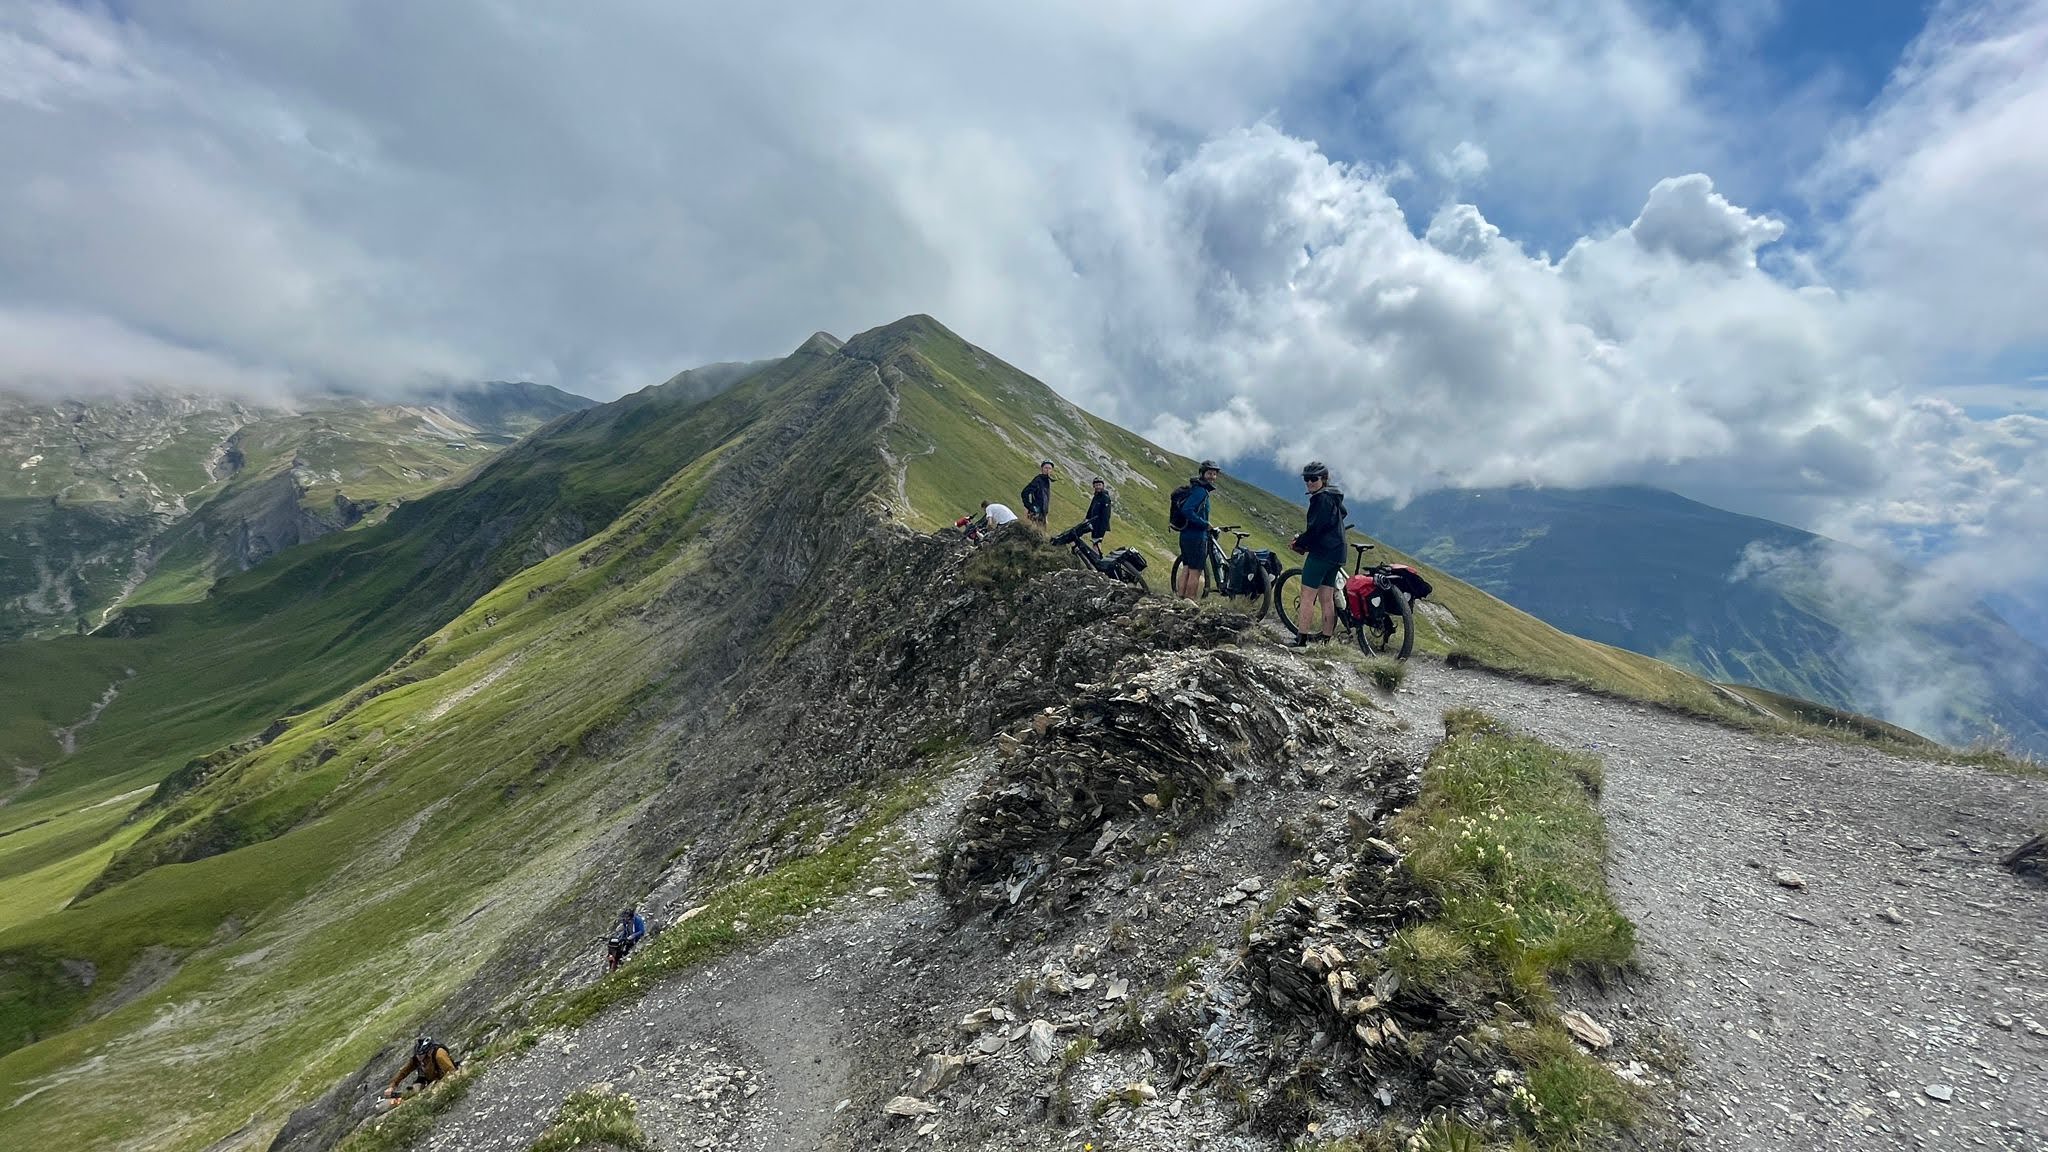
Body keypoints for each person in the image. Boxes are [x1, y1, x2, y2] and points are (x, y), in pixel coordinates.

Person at [1290, 461, 1347, 646]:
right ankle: (1325, 640)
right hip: (1337, 554)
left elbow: (1316, 529)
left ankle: (1301, 641)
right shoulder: (1334, 496)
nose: (1309, 483)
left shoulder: (1320, 499)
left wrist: (1299, 542)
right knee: (1327, 597)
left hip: (1321, 553)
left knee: (1307, 595)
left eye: (1313, 479)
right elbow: (1343, 514)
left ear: (1323, 479)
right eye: (1306, 479)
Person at [1175, 461, 1220, 601]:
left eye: (1214, 474)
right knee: (1195, 572)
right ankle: (1190, 601)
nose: (1212, 477)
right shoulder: (1200, 491)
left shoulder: (1194, 488)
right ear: (1202, 473)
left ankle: (1179, 598)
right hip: (1197, 536)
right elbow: (1187, 510)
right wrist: (1204, 523)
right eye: (1209, 473)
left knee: (1187, 568)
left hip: (1185, 535)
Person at [384, 1036, 458, 1103]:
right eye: (417, 1055)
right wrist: (392, 1086)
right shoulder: (417, 1058)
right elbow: (404, 1071)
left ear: (429, 1052)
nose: (419, 1058)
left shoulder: (439, 1054)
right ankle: (402, 1095)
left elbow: (452, 1071)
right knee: (415, 1090)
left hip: (442, 1076)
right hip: (427, 1079)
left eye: (421, 1055)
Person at [1052, 478, 1113, 547]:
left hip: (1099, 525)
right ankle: (1061, 541)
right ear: (1094, 486)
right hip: (1092, 522)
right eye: (1096, 485)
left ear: (1103, 486)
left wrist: (1102, 528)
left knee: (1097, 541)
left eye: (1099, 485)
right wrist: (1086, 519)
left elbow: (1106, 515)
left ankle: (1097, 556)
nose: (1098, 487)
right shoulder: (1096, 496)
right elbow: (1091, 509)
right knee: (1078, 532)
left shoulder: (1105, 498)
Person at [1020, 460, 1054, 526]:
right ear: (1042, 468)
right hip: (1035, 514)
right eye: (1046, 468)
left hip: (1042, 515)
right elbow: (1025, 492)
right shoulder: (1038, 480)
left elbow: (1045, 500)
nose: (1047, 470)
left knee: (1041, 534)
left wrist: (1045, 516)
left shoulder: (1046, 481)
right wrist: (1030, 506)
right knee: (1033, 533)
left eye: (1049, 468)